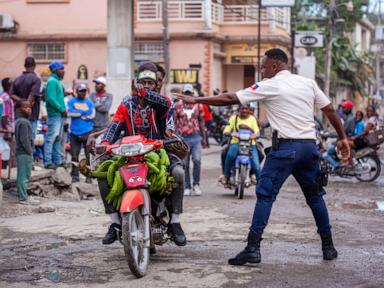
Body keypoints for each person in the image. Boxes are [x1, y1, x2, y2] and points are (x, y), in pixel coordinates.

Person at [174, 48, 350, 265]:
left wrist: (197, 100)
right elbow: (330, 110)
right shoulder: (308, 83)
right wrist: (342, 138)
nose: (261, 71)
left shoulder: (270, 84)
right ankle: (328, 246)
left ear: (275, 66)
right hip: (309, 148)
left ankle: (253, 248)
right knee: (315, 197)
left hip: (285, 149)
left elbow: (230, 98)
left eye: (263, 66)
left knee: (265, 196)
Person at [94, 62, 187, 247]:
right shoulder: (126, 104)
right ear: (136, 82)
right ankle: (115, 222)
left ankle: (175, 222)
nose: (146, 86)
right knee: (102, 173)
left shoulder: (163, 103)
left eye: (150, 83)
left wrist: (143, 92)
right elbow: (114, 126)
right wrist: (105, 142)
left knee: (179, 174)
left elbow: (165, 104)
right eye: (142, 82)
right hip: (129, 154)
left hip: (158, 152)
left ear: (156, 85)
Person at [174, 84, 207, 196]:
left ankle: (196, 184)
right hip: (183, 138)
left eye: (190, 93)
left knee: (197, 160)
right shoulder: (177, 106)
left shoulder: (198, 106)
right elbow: (173, 122)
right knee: (185, 163)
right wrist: (174, 137)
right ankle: (187, 186)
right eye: (186, 93)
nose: (188, 95)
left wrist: (204, 137)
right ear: (183, 94)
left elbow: (202, 121)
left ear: (193, 94)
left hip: (196, 136)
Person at [221, 104, 261, 184]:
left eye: (246, 109)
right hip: (236, 142)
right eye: (242, 109)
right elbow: (227, 128)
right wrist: (227, 132)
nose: (244, 111)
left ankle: (260, 182)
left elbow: (257, 131)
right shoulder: (233, 118)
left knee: (256, 164)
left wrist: (255, 134)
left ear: (249, 110)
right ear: (239, 110)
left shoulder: (252, 119)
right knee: (230, 155)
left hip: (250, 144)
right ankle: (226, 175)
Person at [67, 84, 95, 183]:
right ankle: (75, 176)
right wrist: (83, 113)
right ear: (77, 92)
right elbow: (70, 113)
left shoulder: (89, 102)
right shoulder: (71, 101)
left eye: (84, 91)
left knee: (88, 156)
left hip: (87, 132)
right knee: (74, 155)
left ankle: (89, 176)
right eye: (80, 91)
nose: (83, 93)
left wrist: (77, 112)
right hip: (74, 132)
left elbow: (91, 115)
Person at [11, 57, 42, 141]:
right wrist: (26, 104)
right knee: (29, 142)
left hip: (18, 115)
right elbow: (31, 96)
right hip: (31, 116)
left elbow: (12, 94)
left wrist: (21, 102)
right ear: (34, 66)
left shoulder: (17, 79)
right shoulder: (36, 79)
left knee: (20, 140)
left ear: (25, 66)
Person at [15, 100, 39, 205]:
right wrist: (30, 151)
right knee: (24, 176)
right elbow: (24, 140)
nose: (28, 109)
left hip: (21, 152)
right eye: (25, 107)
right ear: (19, 109)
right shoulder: (24, 122)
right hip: (24, 152)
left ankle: (23, 196)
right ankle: (23, 198)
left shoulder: (20, 121)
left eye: (29, 107)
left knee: (22, 175)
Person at [44, 61, 66, 169]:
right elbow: (51, 99)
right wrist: (62, 109)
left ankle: (58, 161)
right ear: (55, 70)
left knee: (58, 138)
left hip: (59, 114)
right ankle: (47, 162)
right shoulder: (52, 81)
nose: (63, 71)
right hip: (55, 114)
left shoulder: (57, 81)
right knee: (51, 138)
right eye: (61, 69)